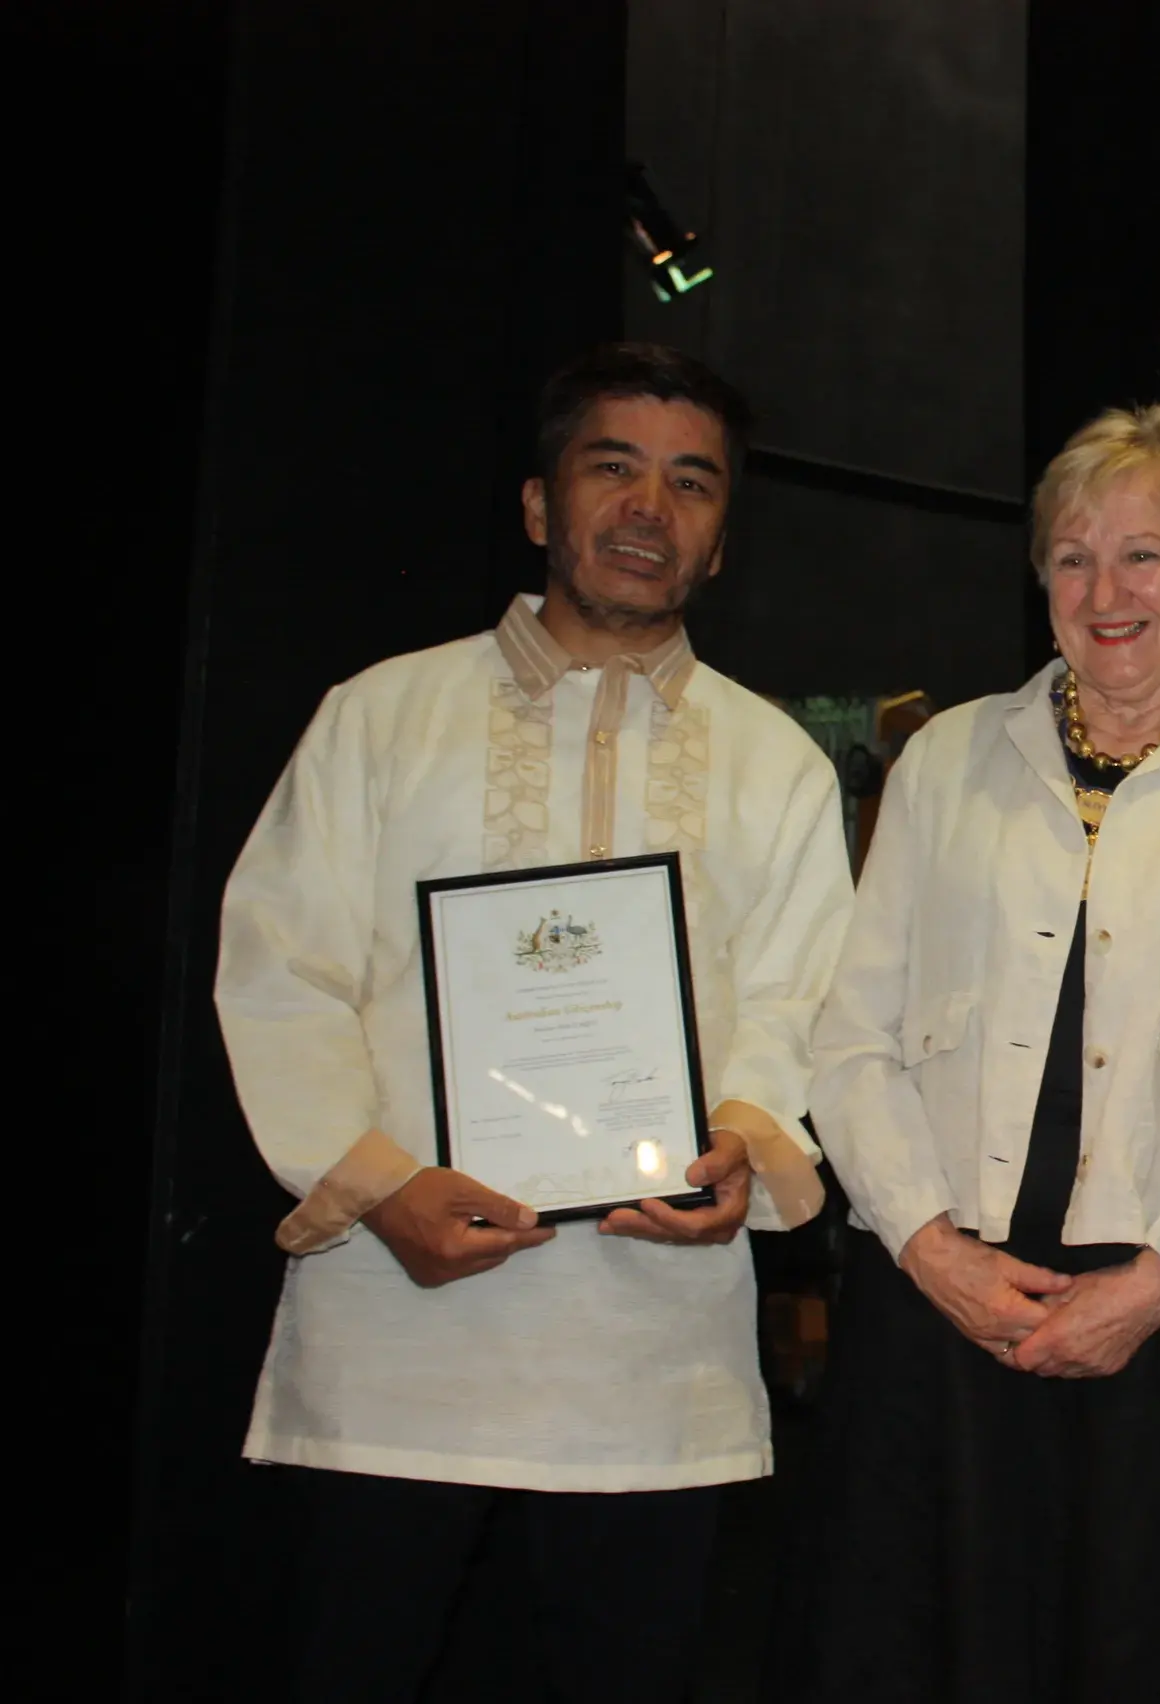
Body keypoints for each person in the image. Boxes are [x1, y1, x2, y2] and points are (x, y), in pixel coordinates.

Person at [216, 343, 854, 1701]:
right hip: (394, 1342)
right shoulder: (384, 718)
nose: (647, 507)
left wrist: (740, 1147)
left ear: (722, 540)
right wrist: (381, 1190)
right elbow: (281, 969)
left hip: (649, 1357)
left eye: (691, 484)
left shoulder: (775, 766)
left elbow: (801, 1003)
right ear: (535, 504)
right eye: (611, 467)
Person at [777, 405, 1160, 1702]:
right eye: (1074, 556)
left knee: (1151, 1657)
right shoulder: (947, 761)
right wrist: (927, 1247)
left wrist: (1157, 1282)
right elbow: (848, 1042)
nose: (1107, 590)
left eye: (1147, 554)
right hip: (943, 1308)